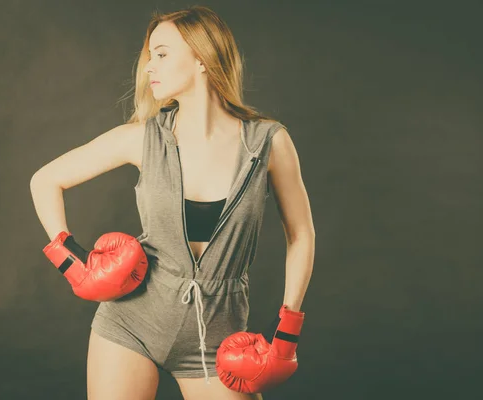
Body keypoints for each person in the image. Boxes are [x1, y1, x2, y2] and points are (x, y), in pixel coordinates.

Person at [29, 5, 315, 400]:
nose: (149, 67)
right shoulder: (142, 139)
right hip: (131, 323)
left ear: (201, 57)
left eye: (161, 54)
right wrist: (72, 262)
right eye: (149, 56)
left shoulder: (268, 142)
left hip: (217, 339)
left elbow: (301, 234)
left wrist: (287, 331)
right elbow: (44, 180)